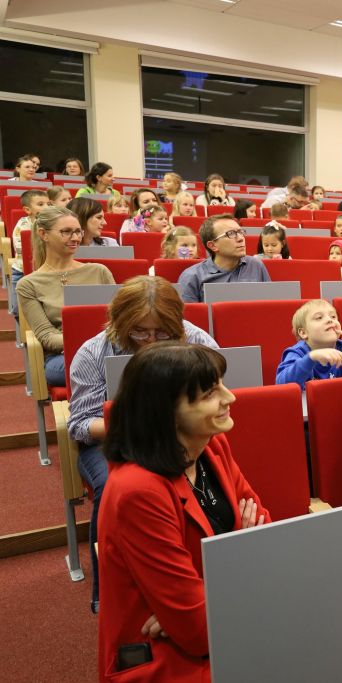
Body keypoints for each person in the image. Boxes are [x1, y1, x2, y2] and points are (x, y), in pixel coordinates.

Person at [98, 342, 268, 682]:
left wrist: (207, 595)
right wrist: (239, 559)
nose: (230, 397)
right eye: (210, 393)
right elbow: (198, 632)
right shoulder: (139, 491)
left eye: (221, 384)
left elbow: (265, 532)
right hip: (168, 656)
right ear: (166, 412)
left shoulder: (211, 446)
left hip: (221, 623)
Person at [68, 276, 218, 612]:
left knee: (217, 476)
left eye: (162, 333)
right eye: (139, 332)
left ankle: (213, 582)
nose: (151, 341)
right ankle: (105, 597)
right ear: (120, 323)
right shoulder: (93, 352)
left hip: (186, 440)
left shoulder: (196, 340)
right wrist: (142, 424)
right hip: (117, 444)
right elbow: (79, 424)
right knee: (112, 487)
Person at [16, 207, 115, 385]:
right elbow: (47, 336)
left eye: (78, 231)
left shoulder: (99, 271)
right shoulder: (28, 284)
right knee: (108, 367)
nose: (76, 238)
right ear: (43, 234)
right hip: (64, 356)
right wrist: (93, 342)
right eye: (66, 232)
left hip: (107, 348)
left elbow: (119, 317)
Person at [275, 300, 342, 389]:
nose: (329, 320)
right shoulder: (297, 352)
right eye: (319, 318)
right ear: (303, 333)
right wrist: (311, 358)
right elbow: (283, 385)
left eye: (333, 316)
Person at [177, 215, 270, 303]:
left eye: (240, 232)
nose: (241, 238)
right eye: (231, 234)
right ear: (213, 246)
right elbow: (189, 317)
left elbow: (269, 306)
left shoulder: (256, 265)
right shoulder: (192, 277)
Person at [9, 189, 50, 286]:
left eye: (49, 204)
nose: (47, 207)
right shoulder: (23, 224)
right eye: (41, 204)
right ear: (28, 210)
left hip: (46, 269)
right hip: (22, 270)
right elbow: (20, 248)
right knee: (19, 300)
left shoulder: (52, 223)